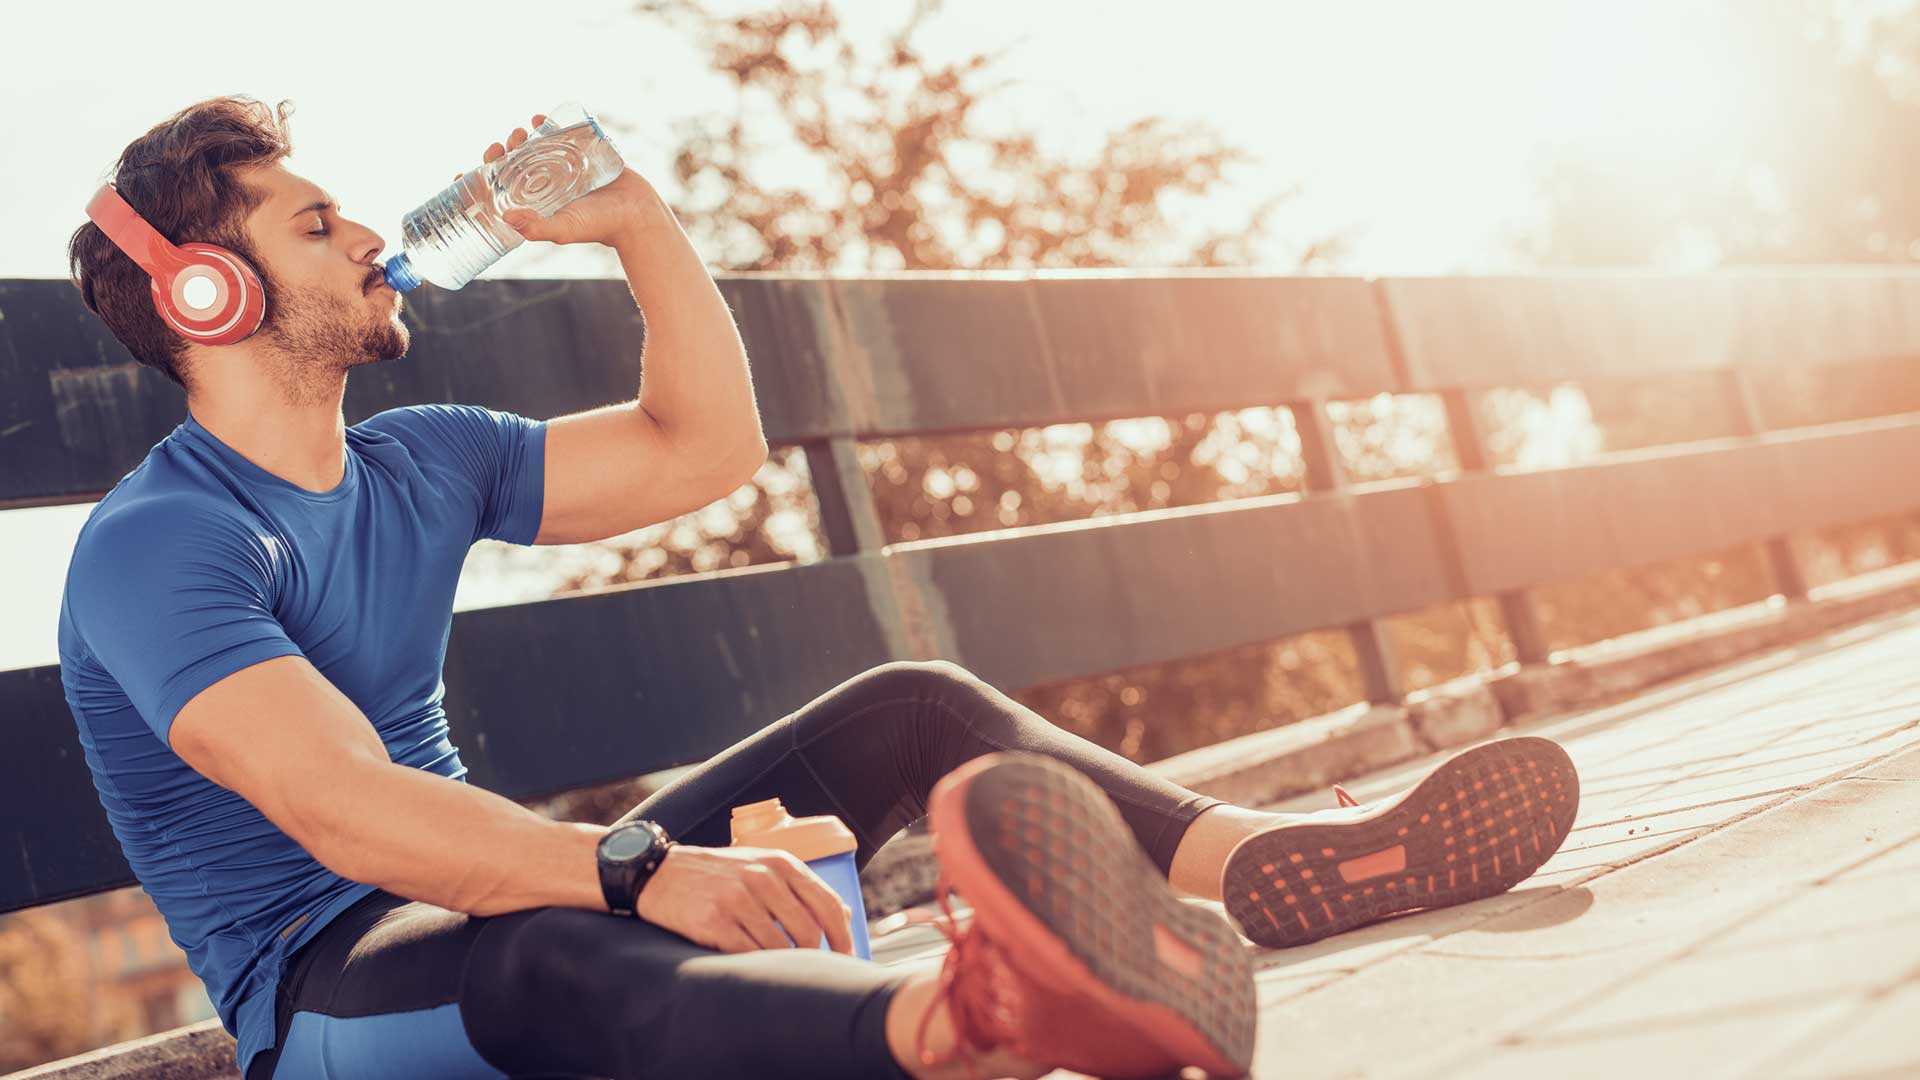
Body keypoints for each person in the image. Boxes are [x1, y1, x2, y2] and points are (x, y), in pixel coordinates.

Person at [59, 96, 1581, 1080]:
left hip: (516, 888)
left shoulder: (422, 460)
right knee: (557, 944)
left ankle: (1278, 874)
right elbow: (344, 812)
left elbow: (702, 446)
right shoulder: (161, 545)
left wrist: (640, 227)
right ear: (211, 292)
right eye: (318, 226)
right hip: (333, 994)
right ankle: (966, 1024)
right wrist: (639, 865)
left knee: (914, 708)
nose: (378, 238)